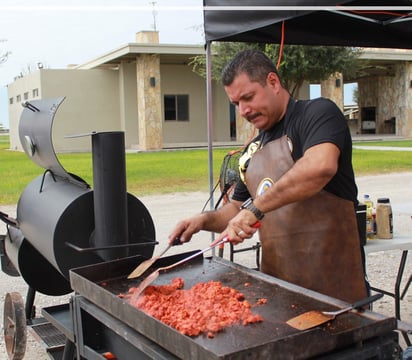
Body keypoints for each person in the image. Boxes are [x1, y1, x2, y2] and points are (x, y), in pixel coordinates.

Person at [168, 49, 367, 303]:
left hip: (336, 290)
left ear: (273, 82)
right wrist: (201, 221)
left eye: (248, 97)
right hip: (278, 291)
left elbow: (319, 166)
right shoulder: (252, 150)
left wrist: (256, 208)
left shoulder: (317, 114)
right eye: (236, 104)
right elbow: (237, 210)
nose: (243, 110)